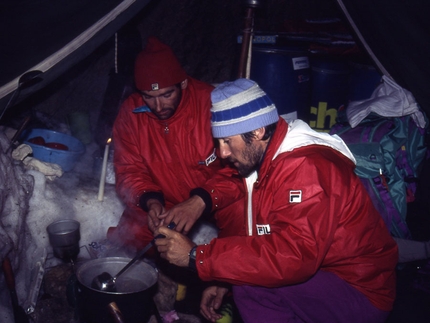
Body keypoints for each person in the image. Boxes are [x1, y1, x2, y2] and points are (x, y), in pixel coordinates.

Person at [154, 78, 399, 323]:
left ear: (258, 131)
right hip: (327, 278)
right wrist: (226, 280)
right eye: (218, 142)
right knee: (249, 278)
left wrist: (199, 257)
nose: (222, 153)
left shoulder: (307, 167)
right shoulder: (268, 153)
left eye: (227, 141)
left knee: (253, 285)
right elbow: (240, 201)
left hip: (359, 290)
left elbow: (294, 255)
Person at [107, 37, 245, 252]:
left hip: (218, 196)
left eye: (166, 94)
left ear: (183, 83)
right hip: (166, 200)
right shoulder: (131, 113)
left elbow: (240, 168)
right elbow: (128, 169)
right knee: (131, 235)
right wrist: (150, 201)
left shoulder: (212, 105)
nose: (158, 106)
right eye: (148, 97)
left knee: (244, 224)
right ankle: (161, 276)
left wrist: (201, 200)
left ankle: (223, 281)